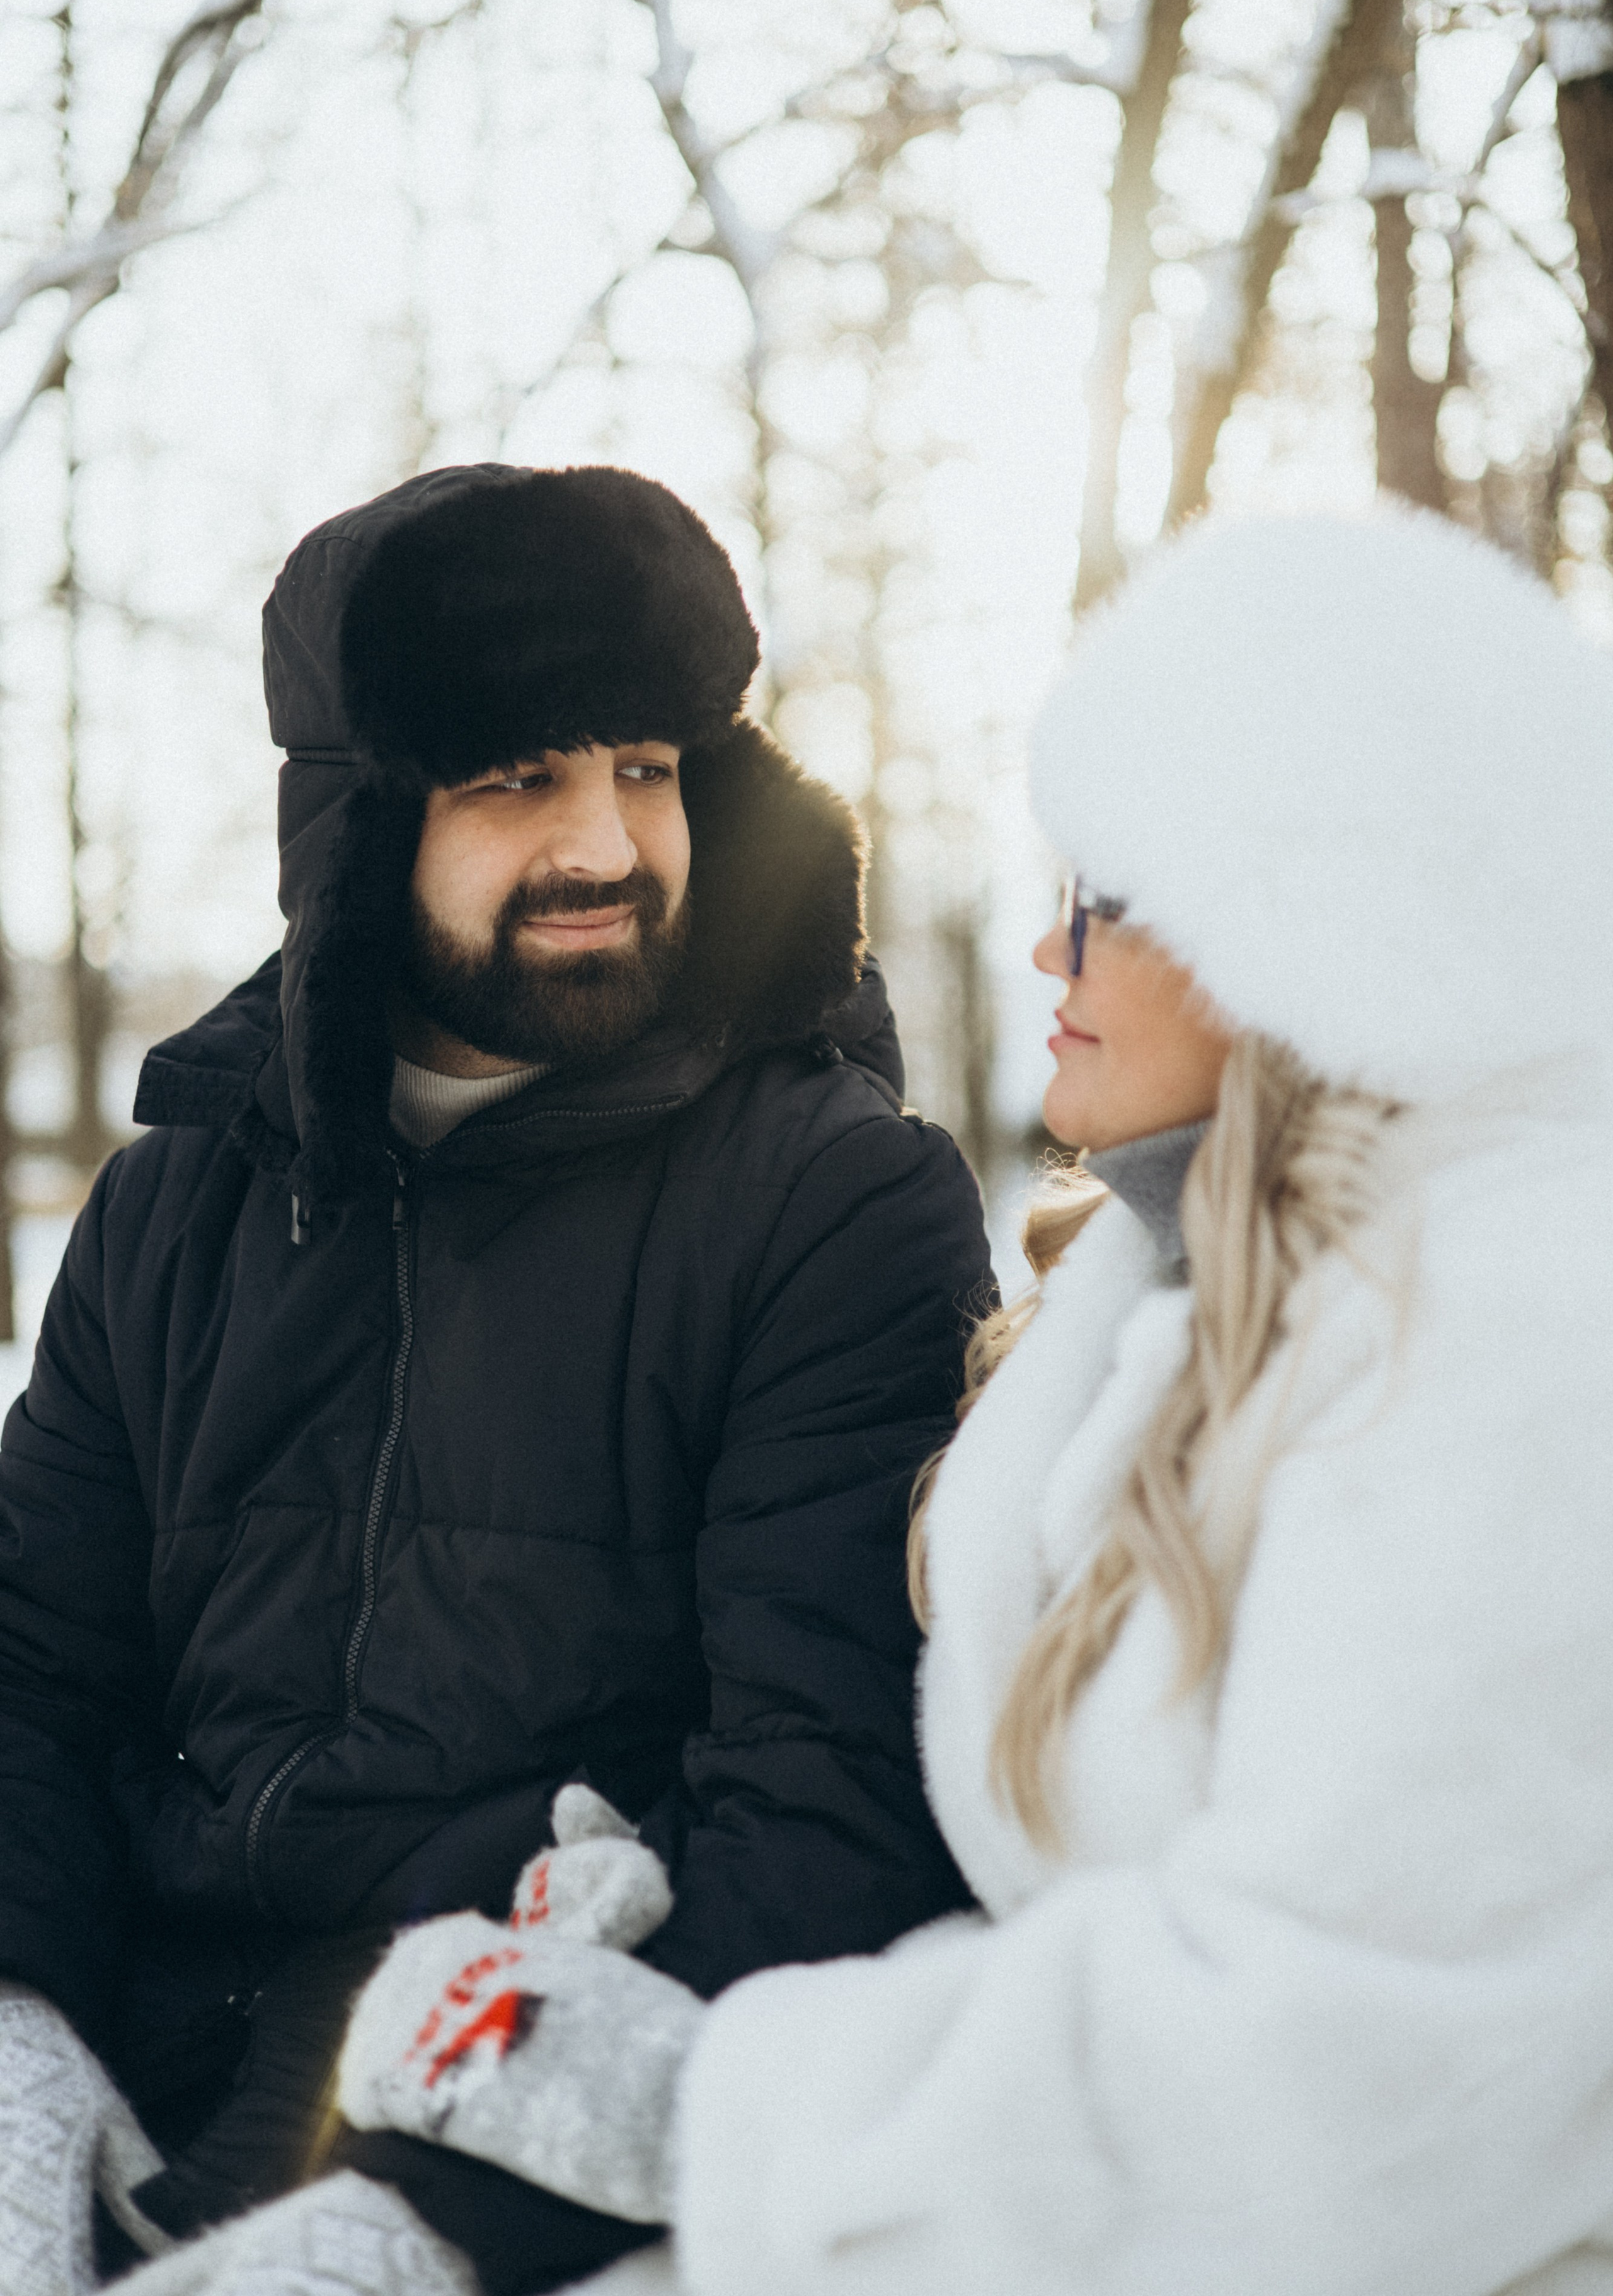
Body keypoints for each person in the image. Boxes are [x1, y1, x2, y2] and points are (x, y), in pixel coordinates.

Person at [238, 501, 1613, 2296]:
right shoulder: (1174, 1293)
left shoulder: (1512, 1345)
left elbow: (1372, 2066)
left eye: (1105, 905)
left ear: (1312, 921)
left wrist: (708, 2097)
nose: (1048, 958)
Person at [0, 462, 992, 2296]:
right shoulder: (169, 1213)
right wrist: (17, 2047)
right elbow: (34, 1680)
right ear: (361, 828)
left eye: (645, 764)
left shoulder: (833, 1204)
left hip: (508, 2133)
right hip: (129, 2078)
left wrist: (428, 2220)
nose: (608, 844)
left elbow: (836, 1810)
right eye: (518, 779)